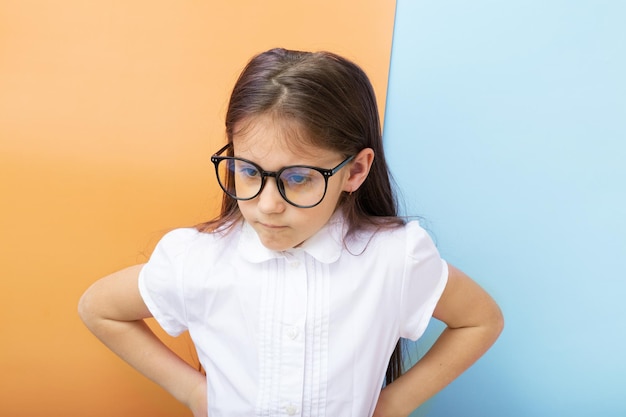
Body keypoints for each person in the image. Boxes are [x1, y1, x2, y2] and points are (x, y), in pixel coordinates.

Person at [78, 47, 503, 417]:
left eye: (298, 177)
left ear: (355, 170)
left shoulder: (394, 257)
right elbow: (99, 307)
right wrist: (190, 390)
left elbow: (480, 320)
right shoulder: (197, 258)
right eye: (248, 171)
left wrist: (394, 403)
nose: (267, 205)